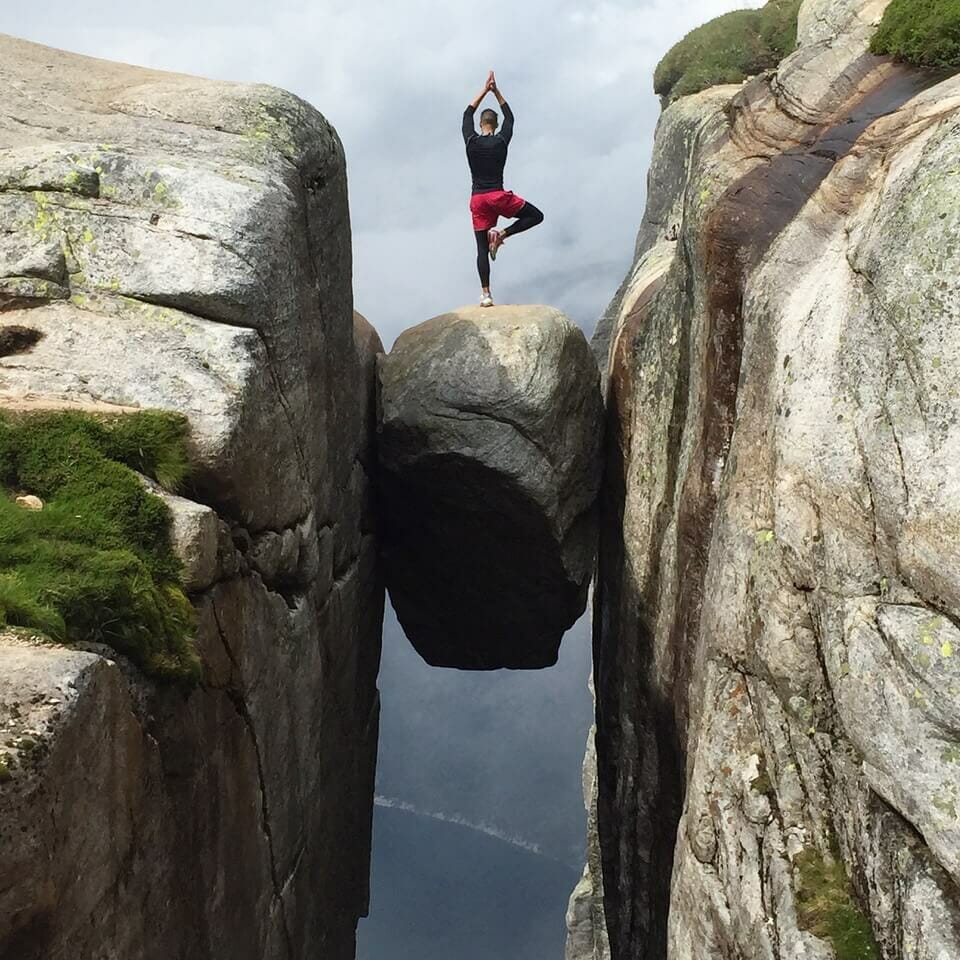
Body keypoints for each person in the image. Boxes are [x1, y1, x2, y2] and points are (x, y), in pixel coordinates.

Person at [462, 70, 544, 307]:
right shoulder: (500, 141)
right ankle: (501, 234)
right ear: (496, 125)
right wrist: (496, 91)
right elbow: (511, 118)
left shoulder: (471, 141)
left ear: (480, 123)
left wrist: (483, 90)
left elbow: (466, 113)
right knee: (536, 216)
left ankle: (486, 294)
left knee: (480, 249)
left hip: (478, 200)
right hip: (498, 196)